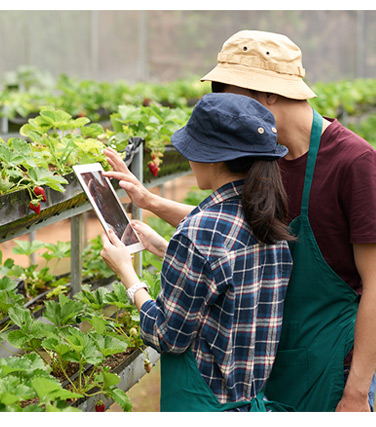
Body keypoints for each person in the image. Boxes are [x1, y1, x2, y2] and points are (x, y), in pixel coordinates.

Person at [105, 30, 376, 412]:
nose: (225, 110)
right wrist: (151, 202)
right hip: (262, 361)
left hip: (329, 366)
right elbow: (234, 231)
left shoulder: (353, 162)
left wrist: (356, 391)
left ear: (268, 93)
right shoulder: (263, 155)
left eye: (228, 96)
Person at [100, 92, 294, 412]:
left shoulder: (199, 232)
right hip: (251, 401)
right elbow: (225, 279)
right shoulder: (268, 220)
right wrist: (165, 247)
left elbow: (167, 336)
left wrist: (128, 275)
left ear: (213, 157)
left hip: (203, 404)